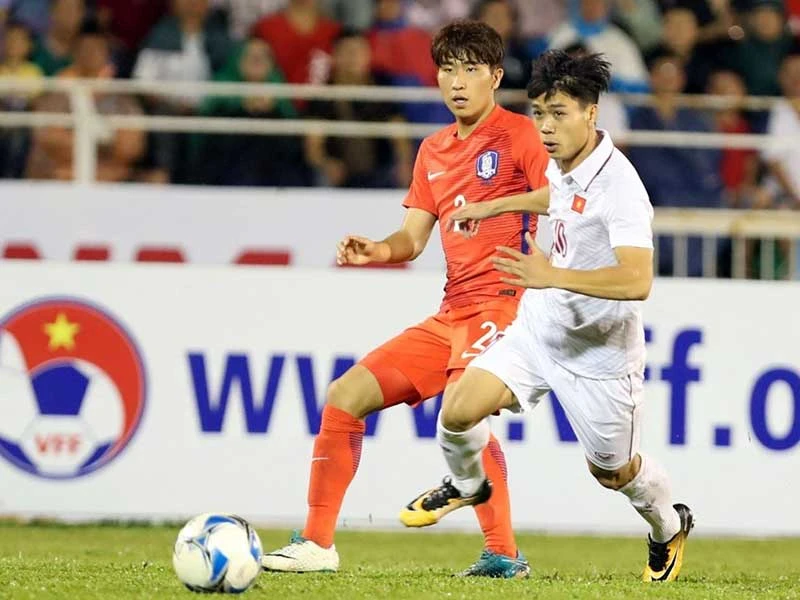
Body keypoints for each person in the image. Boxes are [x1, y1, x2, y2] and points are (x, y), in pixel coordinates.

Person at [261, 20, 548, 578]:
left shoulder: (521, 135)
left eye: (470, 70)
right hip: (453, 310)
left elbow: (557, 196)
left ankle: (504, 554)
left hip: (504, 302)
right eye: (447, 70)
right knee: (345, 396)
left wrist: (510, 222)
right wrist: (377, 249)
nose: (457, 82)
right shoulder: (433, 150)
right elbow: (413, 239)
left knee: (462, 413)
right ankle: (317, 543)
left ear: (495, 76)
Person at [400, 49, 694, 582]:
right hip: (539, 329)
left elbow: (638, 280)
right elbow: (555, 198)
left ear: (591, 113)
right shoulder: (565, 164)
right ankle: (468, 485)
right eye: (538, 113)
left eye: (559, 113)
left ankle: (667, 525)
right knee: (458, 411)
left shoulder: (621, 188)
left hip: (599, 355)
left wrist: (551, 274)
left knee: (613, 473)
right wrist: (493, 205)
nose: (546, 127)